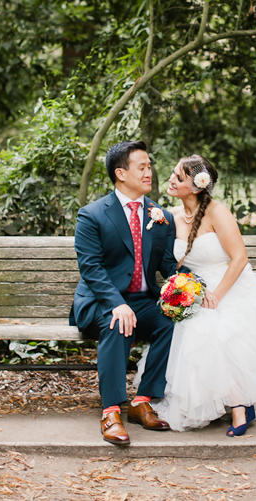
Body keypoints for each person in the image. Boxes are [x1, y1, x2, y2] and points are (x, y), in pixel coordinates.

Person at [137, 154, 256, 436]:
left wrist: (217, 296)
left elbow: (240, 258)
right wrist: (184, 290)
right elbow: (164, 262)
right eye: (173, 173)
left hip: (230, 286)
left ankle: (240, 404)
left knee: (215, 329)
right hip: (194, 290)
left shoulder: (218, 212)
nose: (171, 179)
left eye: (179, 177)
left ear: (197, 186)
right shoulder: (168, 216)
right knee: (197, 327)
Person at [70, 140, 180, 445]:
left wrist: (192, 287)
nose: (149, 173)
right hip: (99, 302)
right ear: (121, 173)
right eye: (141, 167)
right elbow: (91, 268)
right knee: (118, 323)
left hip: (142, 302)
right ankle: (112, 411)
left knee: (170, 321)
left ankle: (142, 400)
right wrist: (117, 304)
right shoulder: (92, 215)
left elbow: (168, 266)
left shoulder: (162, 217)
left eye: (149, 166)